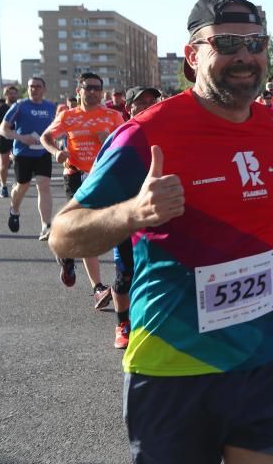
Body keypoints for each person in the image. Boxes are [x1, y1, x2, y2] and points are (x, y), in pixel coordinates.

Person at [47, 0, 273, 463]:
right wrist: (134, 213)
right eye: (226, 43)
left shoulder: (272, 129)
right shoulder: (148, 133)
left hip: (262, 359)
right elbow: (64, 234)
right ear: (193, 54)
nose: (245, 55)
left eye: (256, 43)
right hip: (173, 367)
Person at [40, 72, 125, 297]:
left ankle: (68, 254)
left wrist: (108, 140)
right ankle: (97, 286)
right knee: (86, 227)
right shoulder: (68, 116)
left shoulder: (113, 116)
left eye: (97, 88)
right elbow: (45, 137)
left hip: (103, 176)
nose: (94, 92)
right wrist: (57, 152)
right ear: (79, 90)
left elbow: (126, 144)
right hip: (75, 175)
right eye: (89, 87)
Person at [108, 85, 163, 349]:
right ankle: (123, 324)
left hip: (158, 215)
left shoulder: (166, 134)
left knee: (159, 272)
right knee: (125, 275)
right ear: (129, 108)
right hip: (127, 215)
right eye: (142, 102)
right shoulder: (121, 136)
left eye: (153, 101)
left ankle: (153, 322)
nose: (149, 105)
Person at [0, 77, 55, 239]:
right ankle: (14, 210)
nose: (34, 89)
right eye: (31, 86)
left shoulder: (51, 107)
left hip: (43, 153)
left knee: (43, 185)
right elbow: (3, 129)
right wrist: (21, 137)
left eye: (38, 86)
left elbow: (57, 127)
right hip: (23, 154)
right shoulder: (20, 106)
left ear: (44, 89)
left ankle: (46, 225)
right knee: (22, 186)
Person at [0, 85, 19, 198]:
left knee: (19, 163)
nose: (13, 95)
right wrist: (7, 127)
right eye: (10, 93)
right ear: (6, 95)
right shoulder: (1, 108)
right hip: (4, 139)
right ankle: (3, 186)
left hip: (18, 139)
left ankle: (17, 183)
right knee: (4, 165)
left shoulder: (20, 107)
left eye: (14, 93)